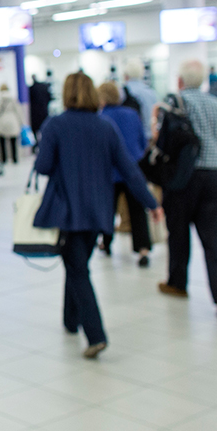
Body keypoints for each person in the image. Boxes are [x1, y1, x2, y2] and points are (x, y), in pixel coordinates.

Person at [34, 72, 163, 358]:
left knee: (78, 268)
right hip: (98, 210)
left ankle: (95, 335)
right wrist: (151, 203)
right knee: (77, 261)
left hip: (67, 210)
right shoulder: (106, 127)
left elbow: (42, 167)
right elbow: (130, 170)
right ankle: (70, 320)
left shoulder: (55, 125)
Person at [158, 60, 217, 318]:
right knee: (214, 240)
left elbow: (162, 143)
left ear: (180, 81)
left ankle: (178, 283)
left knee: (178, 234)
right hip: (212, 177)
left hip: (183, 179)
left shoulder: (173, 104)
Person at [97, 81, 152, 266]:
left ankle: (106, 242)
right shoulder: (132, 114)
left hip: (109, 173)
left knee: (108, 210)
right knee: (137, 210)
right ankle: (143, 249)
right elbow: (142, 142)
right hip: (132, 170)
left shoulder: (101, 118)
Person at [123, 59, 158, 141]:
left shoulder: (124, 92)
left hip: (133, 138)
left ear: (126, 75)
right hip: (150, 137)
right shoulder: (151, 92)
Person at [0, 84, 23, 164]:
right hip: (12, 120)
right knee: (13, 141)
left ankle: (4, 159)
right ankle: (14, 159)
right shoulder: (13, 98)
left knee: (2, 141)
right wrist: (21, 122)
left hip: (2, 121)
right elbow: (18, 110)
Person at [28, 74, 51, 141]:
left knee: (36, 129)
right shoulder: (44, 87)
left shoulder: (32, 88)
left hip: (35, 113)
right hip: (44, 111)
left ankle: (37, 143)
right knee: (44, 128)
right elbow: (49, 98)